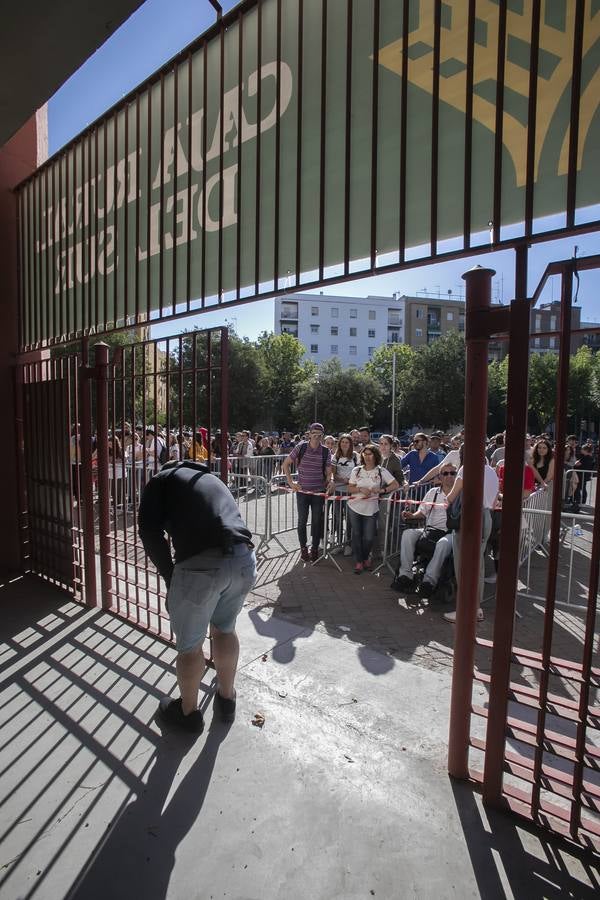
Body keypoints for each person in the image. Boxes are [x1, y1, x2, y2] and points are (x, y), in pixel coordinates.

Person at [138, 460, 256, 734]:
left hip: (200, 567)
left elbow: (148, 531)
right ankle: (227, 698)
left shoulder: (161, 480)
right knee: (225, 629)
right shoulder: (213, 480)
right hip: (243, 559)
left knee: (190, 646)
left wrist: (170, 576)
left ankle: (188, 713)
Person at [443, 454, 499, 623]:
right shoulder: (492, 472)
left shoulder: (466, 469)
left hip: (469, 518)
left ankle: (465, 610)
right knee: (478, 564)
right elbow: (495, 501)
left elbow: (451, 496)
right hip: (487, 517)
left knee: (463, 565)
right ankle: (476, 608)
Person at [395, 465, 457, 597]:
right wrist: (411, 515)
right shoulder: (433, 492)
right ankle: (405, 574)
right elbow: (422, 512)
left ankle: (429, 581)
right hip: (430, 530)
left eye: (452, 473)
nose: (449, 476)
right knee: (407, 534)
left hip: (451, 532)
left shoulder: (460, 493)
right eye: (445, 473)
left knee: (443, 543)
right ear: (440, 477)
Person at [282, 423, 334, 562]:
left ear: (322, 435)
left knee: (317, 521)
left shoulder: (325, 451)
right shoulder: (301, 447)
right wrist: (291, 483)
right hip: (303, 491)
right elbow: (285, 464)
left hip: (318, 492)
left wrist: (331, 480)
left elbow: (328, 472)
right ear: (309, 434)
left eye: (319, 434)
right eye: (314, 433)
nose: (316, 436)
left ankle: (315, 548)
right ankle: (303, 548)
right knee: (302, 521)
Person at [347, 444, 400, 574]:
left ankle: (365, 557)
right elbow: (350, 488)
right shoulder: (357, 470)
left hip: (371, 509)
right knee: (357, 535)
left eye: (370, 454)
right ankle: (360, 561)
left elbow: (395, 484)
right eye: (365, 454)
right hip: (354, 507)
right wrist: (360, 489)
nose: (367, 457)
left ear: (375, 456)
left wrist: (382, 490)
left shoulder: (381, 471)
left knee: (369, 537)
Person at [331, 433, 359, 555]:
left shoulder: (355, 456)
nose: (344, 444)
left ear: (350, 444)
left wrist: (351, 481)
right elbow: (333, 473)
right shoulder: (335, 456)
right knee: (337, 517)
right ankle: (339, 543)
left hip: (351, 492)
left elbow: (359, 471)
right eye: (342, 442)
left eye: (347, 442)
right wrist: (342, 480)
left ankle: (348, 543)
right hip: (338, 491)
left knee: (349, 518)